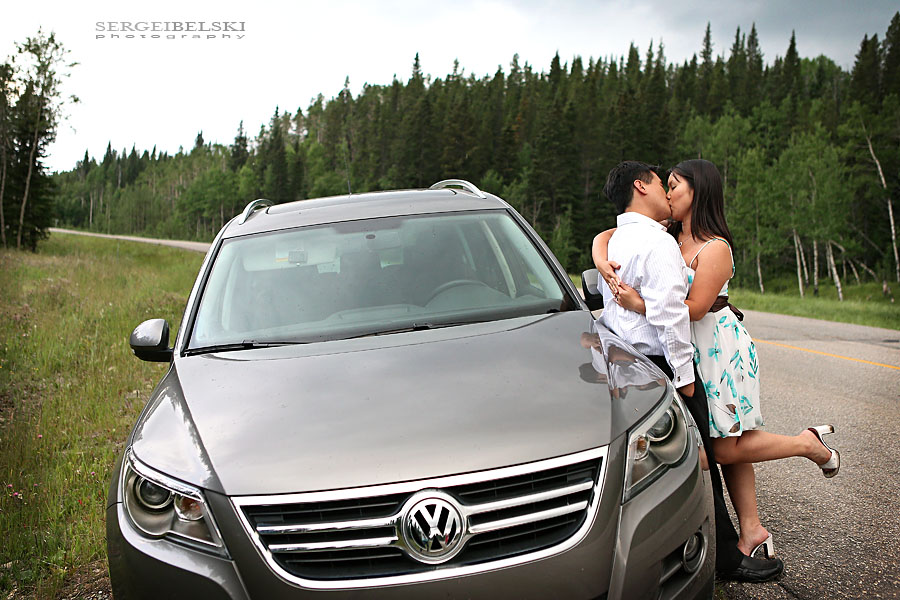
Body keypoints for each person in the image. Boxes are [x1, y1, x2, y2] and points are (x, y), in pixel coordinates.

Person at [594, 159, 840, 568]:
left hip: (718, 349)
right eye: (665, 185)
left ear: (698, 192)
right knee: (730, 440)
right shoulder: (667, 234)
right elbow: (609, 234)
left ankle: (805, 443)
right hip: (689, 347)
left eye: (675, 186)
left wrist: (638, 303)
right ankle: (752, 530)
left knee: (723, 447)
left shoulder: (715, 248)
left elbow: (692, 308)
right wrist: (601, 258)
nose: (668, 193)